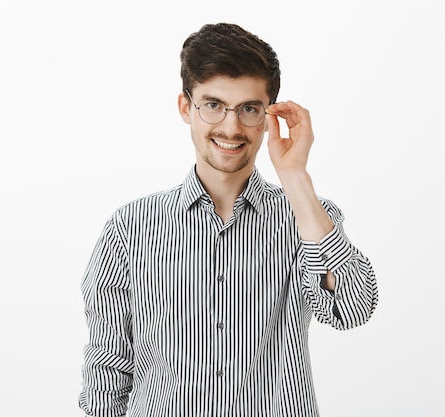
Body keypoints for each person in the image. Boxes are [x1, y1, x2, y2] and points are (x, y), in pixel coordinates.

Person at [78, 22, 378, 417]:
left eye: (249, 109)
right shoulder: (129, 228)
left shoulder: (308, 218)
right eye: (214, 104)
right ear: (187, 107)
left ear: (270, 114)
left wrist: (295, 178)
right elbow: (107, 373)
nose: (232, 127)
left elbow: (352, 308)